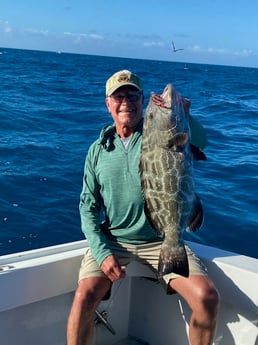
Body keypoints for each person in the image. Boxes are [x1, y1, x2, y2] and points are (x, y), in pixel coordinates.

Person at [67, 70, 220, 345]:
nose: (126, 101)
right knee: (83, 298)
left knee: (207, 298)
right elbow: (87, 207)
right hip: (114, 241)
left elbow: (201, 142)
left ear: (141, 102)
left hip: (163, 241)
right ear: (108, 104)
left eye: (133, 95)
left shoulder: (153, 133)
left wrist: (184, 114)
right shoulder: (97, 150)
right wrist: (102, 253)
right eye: (119, 96)